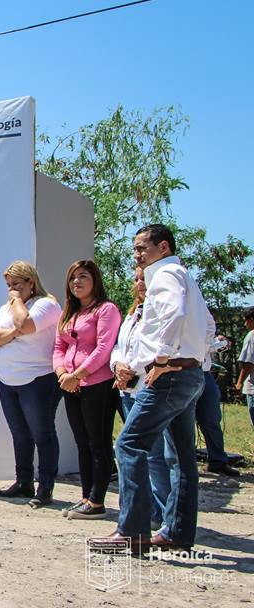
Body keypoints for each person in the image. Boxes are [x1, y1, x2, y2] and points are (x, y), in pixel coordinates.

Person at [93, 224, 212, 553]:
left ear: (163, 246)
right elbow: (209, 326)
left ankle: (132, 531)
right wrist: (194, 358)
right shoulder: (185, 276)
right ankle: (175, 531)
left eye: (142, 248)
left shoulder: (164, 274)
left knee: (129, 446)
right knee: (183, 459)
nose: (136, 255)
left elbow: (174, 313)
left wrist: (161, 359)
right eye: (135, 249)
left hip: (168, 376)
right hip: (187, 374)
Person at [0, 261, 63, 508]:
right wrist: (13, 333)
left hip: (37, 379)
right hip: (8, 379)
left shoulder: (47, 304)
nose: (11, 290)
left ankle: (46, 487)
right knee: (20, 433)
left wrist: (17, 304)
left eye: (16, 284)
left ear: (31, 281)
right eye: (9, 285)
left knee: (43, 433)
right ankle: (24, 481)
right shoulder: (6, 309)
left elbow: (27, 324)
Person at [52, 259, 121, 520]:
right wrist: (62, 374)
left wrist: (78, 375)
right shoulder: (69, 313)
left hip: (97, 385)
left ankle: (98, 501)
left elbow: (103, 350)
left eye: (82, 277)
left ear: (95, 280)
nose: (76, 282)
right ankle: (85, 498)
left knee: (99, 443)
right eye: (72, 278)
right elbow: (58, 348)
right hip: (70, 385)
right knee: (82, 443)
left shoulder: (106, 310)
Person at [110, 266, 174, 531]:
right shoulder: (132, 314)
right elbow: (119, 347)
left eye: (145, 278)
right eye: (136, 279)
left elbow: (157, 350)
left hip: (149, 387)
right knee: (138, 454)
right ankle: (149, 510)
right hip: (127, 389)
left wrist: (132, 368)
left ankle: (164, 514)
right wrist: (118, 366)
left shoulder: (161, 313)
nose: (140, 283)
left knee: (154, 456)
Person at [196, 334, 240, 477]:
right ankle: (184, 464)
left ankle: (218, 462)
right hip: (184, 371)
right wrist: (215, 344)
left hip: (204, 373)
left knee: (211, 418)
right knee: (183, 421)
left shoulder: (203, 315)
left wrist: (218, 342)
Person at [237, 307, 254, 431]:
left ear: (251, 320)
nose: (245, 324)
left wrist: (239, 382)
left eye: (246, 320)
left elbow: (249, 363)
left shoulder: (252, 336)